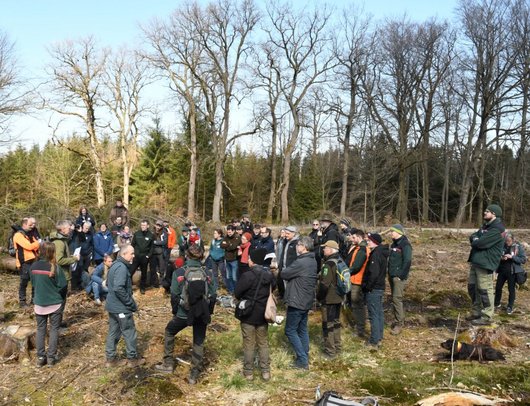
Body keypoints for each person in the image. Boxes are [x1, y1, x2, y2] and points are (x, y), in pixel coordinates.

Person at [154, 245, 215, 385]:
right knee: (198, 341)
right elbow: (213, 294)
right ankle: (194, 374)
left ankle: (168, 364)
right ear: (201, 257)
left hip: (183, 313)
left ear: (187, 256)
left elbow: (174, 295)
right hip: (201, 313)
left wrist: (176, 312)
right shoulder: (208, 273)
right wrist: (208, 311)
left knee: (169, 331)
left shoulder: (179, 272)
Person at [234, 248, 276, 381]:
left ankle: (249, 372)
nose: (249, 260)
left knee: (249, 344)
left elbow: (237, 293)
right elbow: (274, 288)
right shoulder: (269, 276)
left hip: (248, 314)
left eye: (250, 258)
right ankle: (265, 372)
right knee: (263, 343)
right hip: (263, 314)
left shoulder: (247, 275)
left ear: (254, 261)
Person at [281, 236, 318, 370]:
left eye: (298, 245)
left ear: (304, 247)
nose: (297, 247)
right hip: (306, 300)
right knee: (302, 329)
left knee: (290, 330)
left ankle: (302, 359)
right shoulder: (312, 260)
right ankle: (305, 354)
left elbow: (284, 273)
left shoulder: (301, 262)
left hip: (297, 300)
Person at [104, 245, 144, 367]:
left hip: (112, 306)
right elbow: (118, 288)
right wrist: (130, 303)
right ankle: (132, 359)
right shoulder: (121, 268)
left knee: (114, 331)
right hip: (120, 307)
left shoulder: (115, 265)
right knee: (129, 331)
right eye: (131, 253)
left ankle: (110, 359)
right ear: (123, 254)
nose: (133, 256)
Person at [467, 204, 506, 326]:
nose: (484, 213)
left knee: (484, 290)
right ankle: (476, 312)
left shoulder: (497, 229)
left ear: (494, 214)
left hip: (486, 263)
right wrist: (476, 239)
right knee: (472, 287)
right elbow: (473, 236)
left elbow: (481, 243)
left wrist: (477, 240)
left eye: (487, 211)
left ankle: (486, 315)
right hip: (476, 261)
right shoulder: (486, 226)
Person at [30, 241, 67, 367]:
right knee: (54, 330)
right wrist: (57, 295)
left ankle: (41, 358)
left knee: (41, 330)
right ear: (52, 252)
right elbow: (63, 285)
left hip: (39, 303)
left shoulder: (33, 266)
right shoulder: (56, 268)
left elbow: (34, 284)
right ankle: (51, 358)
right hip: (55, 303)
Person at [317, 240, 343, 358]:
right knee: (336, 322)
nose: (323, 250)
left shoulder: (328, 264)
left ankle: (330, 351)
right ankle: (338, 346)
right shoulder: (340, 260)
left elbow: (324, 284)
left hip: (329, 299)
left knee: (328, 324)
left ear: (331, 250)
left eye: (325, 248)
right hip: (339, 297)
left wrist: (319, 297)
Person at [362, 233, 388, 349]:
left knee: (373, 315)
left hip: (374, 288)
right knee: (378, 313)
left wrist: (368, 287)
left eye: (369, 240)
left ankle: (374, 341)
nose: (367, 242)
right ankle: (379, 337)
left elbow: (373, 273)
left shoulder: (376, 254)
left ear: (375, 242)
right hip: (379, 287)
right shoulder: (380, 252)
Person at [386, 224, 412, 335]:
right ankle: (397, 319)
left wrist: (400, 276)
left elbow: (407, 261)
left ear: (399, 232)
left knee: (397, 299)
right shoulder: (394, 244)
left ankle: (399, 323)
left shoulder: (405, 245)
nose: (390, 233)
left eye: (392, 231)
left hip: (398, 278)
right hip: (391, 275)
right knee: (394, 299)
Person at [494, 232, 526, 315]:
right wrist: (502, 258)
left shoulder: (518, 247)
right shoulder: (502, 245)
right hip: (502, 271)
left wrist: (512, 257)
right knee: (498, 287)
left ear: (513, 239)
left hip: (512, 272)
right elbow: (497, 255)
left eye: (509, 241)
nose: (507, 243)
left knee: (511, 290)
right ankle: (496, 303)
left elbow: (523, 260)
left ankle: (510, 306)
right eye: (506, 241)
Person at [347, 229, 370, 338]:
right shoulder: (358, 248)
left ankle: (360, 329)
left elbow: (356, 266)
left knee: (357, 305)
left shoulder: (362, 250)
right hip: (355, 279)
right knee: (356, 305)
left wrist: (346, 272)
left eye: (354, 237)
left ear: (358, 237)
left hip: (357, 281)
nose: (352, 239)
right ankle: (358, 325)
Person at [13, 217, 40, 308]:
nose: (32, 226)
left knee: (35, 281)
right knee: (24, 282)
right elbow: (28, 246)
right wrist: (37, 244)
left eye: (33, 224)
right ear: (24, 225)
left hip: (34, 261)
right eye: (30, 225)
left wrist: (36, 244)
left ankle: (34, 300)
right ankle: (22, 302)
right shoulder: (18, 235)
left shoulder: (30, 234)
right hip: (24, 262)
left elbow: (35, 244)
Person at [49, 220, 80, 295]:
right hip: (60, 275)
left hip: (61, 274)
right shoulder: (59, 242)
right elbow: (59, 260)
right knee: (60, 298)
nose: (70, 230)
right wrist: (74, 259)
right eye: (69, 229)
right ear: (62, 229)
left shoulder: (62, 240)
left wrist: (69, 257)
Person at [130, 220, 154, 294]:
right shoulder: (137, 234)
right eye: (142, 225)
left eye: (144, 225)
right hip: (136, 257)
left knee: (144, 273)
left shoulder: (151, 235)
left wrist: (148, 256)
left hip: (144, 257)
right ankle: (128, 287)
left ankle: (142, 288)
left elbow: (152, 247)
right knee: (130, 272)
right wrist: (132, 254)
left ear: (148, 226)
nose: (142, 227)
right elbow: (132, 244)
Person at [277, 226, 300, 299]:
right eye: (285, 233)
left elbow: (298, 258)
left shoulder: (297, 243)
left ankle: (291, 302)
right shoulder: (286, 241)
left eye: (288, 233)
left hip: (291, 270)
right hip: (284, 268)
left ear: (294, 234)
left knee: (291, 287)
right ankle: (286, 300)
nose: (286, 235)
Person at [221, 225, 241, 294]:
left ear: (233, 231)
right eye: (228, 232)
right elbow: (221, 245)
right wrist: (229, 245)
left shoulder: (237, 237)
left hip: (234, 259)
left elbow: (233, 247)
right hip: (227, 259)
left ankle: (236, 290)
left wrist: (227, 245)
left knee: (234, 276)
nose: (229, 233)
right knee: (228, 276)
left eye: (230, 232)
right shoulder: (226, 237)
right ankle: (230, 290)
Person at [151, 220, 168, 289]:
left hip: (161, 253)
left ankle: (161, 282)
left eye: (160, 225)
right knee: (153, 268)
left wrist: (155, 242)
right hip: (153, 253)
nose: (158, 227)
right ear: (155, 225)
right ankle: (154, 283)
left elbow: (164, 242)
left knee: (161, 269)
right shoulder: (152, 232)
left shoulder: (164, 232)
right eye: (157, 225)